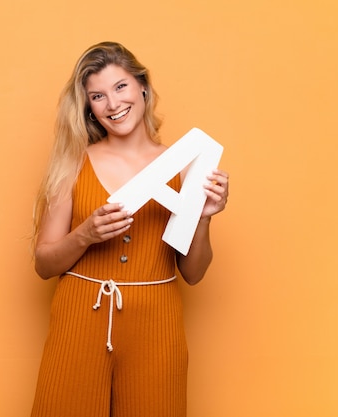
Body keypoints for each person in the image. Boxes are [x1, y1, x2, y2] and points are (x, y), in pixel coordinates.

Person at [30, 41, 229, 417]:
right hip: (79, 317)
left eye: (120, 87)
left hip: (156, 323)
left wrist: (204, 217)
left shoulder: (184, 167)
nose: (113, 104)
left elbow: (194, 273)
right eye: (98, 96)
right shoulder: (72, 164)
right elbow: (43, 264)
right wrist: (85, 234)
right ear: (89, 107)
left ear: (142, 86)